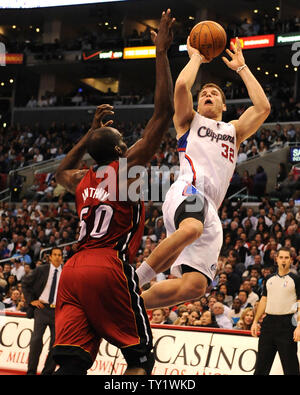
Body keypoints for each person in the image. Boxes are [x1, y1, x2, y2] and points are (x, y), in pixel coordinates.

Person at [52, 9, 175, 376]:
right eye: (125, 139)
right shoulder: (128, 168)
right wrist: (161, 54)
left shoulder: (82, 178)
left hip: (73, 271)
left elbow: (59, 171)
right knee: (140, 359)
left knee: (71, 363)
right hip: (108, 265)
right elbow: (163, 114)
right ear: (122, 150)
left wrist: (88, 135)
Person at [137, 34, 270, 309]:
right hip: (189, 189)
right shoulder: (188, 121)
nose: (208, 95)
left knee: (195, 286)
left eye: (215, 94)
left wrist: (242, 68)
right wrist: (196, 56)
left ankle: (130, 305)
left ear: (224, 106)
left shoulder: (233, 132)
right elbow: (183, 85)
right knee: (193, 227)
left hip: (211, 207)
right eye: (204, 94)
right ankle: (131, 280)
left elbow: (263, 107)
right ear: (198, 105)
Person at [251, 247, 300, 375]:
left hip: (288, 324)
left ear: (291, 260)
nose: (283, 260)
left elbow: (299, 303)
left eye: (286, 258)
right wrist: (255, 321)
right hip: (268, 324)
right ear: (276, 259)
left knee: (291, 368)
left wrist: (299, 326)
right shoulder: (269, 279)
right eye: (281, 257)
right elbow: (264, 300)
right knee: (261, 366)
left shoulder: (295, 279)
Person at [22, 247, 63, 375]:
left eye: (60, 255)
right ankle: (31, 372)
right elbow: (25, 282)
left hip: (58, 312)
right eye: (55, 255)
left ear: (62, 257)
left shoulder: (66, 272)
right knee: (36, 340)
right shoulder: (41, 270)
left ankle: (48, 372)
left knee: (56, 344)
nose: (57, 257)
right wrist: (32, 300)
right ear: (50, 257)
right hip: (41, 309)